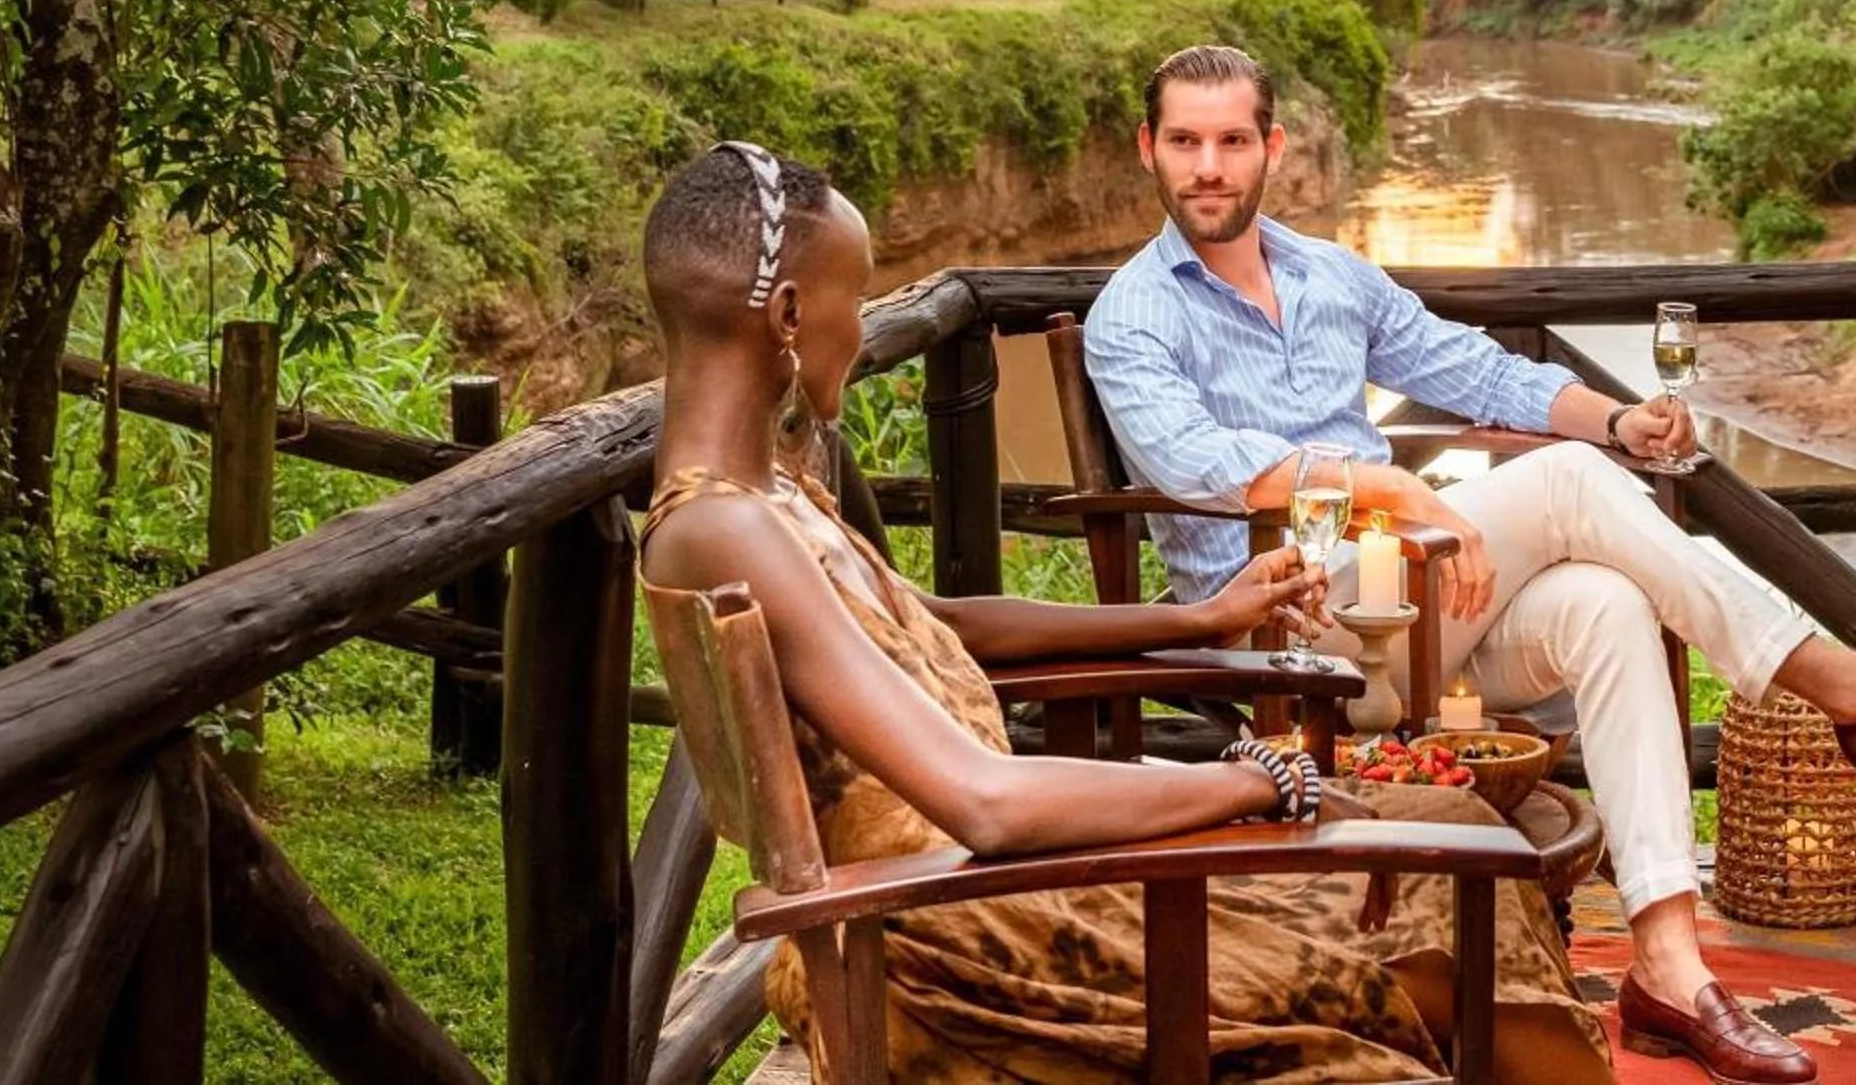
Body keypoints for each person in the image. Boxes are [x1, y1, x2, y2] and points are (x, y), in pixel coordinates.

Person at [1087, 45, 1856, 1085]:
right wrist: (1398, 492)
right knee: (1568, 485)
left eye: (1232, 141)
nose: (1208, 167)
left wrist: (1622, 418)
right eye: (1185, 142)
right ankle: (1846, 689)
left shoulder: (1331, 276)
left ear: (1272, 148)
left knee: (1602, 603)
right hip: (1281, 628)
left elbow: (1473, 367)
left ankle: (1670, 968)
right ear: (1150, 149)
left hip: (1406, 605)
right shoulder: (1133, 316)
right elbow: (1204, 467)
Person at [637, 139, 1613, 1083]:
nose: (864, 329)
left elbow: (937, 624)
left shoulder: (764, 499)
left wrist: (1190, 620)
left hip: (994, 891)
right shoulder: (729, 527)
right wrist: (1252, 783)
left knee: (1441, 821)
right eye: (860, 300)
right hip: (971, 943)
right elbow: (985, 801)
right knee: (1457, 865)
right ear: (793, 314)